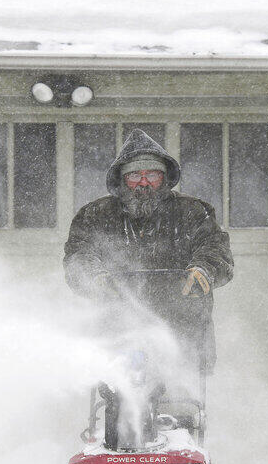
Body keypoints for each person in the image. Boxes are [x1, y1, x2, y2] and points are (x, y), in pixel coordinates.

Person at [64, 129, 234, 372]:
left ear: (164, 178)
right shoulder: (94, 216)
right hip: (115, 331)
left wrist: (203, 270)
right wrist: (94, 278)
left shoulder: (194, 212)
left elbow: (215, 249)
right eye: (135, 175)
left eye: (152, 174)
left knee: (181, 403)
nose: (143, 183)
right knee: (119, 397)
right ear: (122, 180)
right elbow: (79, 255)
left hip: (182, 330)